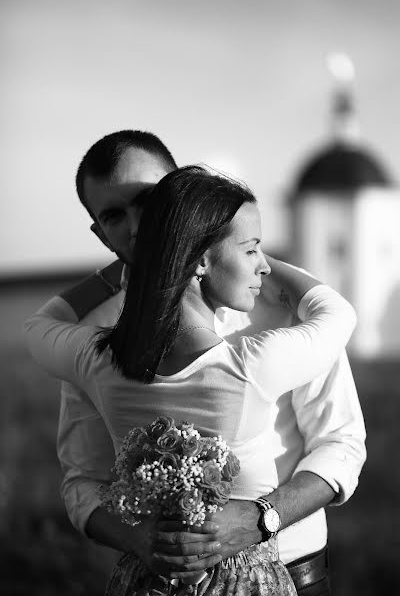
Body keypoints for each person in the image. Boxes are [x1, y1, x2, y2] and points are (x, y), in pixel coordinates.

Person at [24, 165, 357, 596]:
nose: (263, 268)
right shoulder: (255, 363)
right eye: (253, 250)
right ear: (199, 256)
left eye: (150, 207)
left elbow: (36, 330)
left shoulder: (95, 356)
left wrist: (228, 247)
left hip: (159, 581)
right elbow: (340, 315)